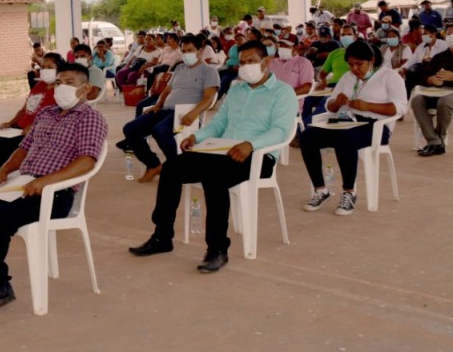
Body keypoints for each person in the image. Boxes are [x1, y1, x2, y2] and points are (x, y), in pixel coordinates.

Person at [0, 63, 108, 313]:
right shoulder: (47, 113)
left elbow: (87, 161)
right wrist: (5, 170)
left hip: (55, 193)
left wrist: (46, 181)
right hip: (22, 183)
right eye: (59, 82)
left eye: (70, 82)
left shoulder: (90, 118)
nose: (62, 87)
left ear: (85, 89)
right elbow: (24, 148)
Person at [129, 41, 297, 273]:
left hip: (259, 156)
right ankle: (162, 237)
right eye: (242, 63)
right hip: (221, 150)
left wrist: (251, 144)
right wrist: (197, 137)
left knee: (214, 177)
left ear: (266, 62)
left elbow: (280, 130)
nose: (246, 67)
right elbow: (218, 124)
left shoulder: (283, 92)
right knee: (172, 168)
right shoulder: (237, 89)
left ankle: (217, 248)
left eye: (251, 62)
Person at [300, 41, 406, 215]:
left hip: (376, 126)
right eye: (350, 64)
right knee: (307, 137)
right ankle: (320, 190)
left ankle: (349, 192)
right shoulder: (347, 77)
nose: (355, 69)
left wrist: (369, 106)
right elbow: (330, 106)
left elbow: (401, 108)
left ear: (371, 60)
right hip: (346, 121)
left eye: (359, 64)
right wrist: (337, 102)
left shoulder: (389, 76)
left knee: (345, 138)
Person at [122, 34, 219, 183]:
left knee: (160, 131)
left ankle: (180, 167)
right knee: (130, 129)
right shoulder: (180, 67)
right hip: (166, 110)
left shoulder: (209, 71)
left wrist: (193, 114)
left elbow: (209, 98)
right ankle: (153, 165)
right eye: (184, 51)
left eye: (190, 50)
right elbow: (167, 90)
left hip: (186, 114)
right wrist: (158, 105)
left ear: (200, 51)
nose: (187, 54)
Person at [0, 53, 61, 192]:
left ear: (59, 69)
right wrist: (10, 122)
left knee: (0, 148)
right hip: (18, 128)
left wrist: (35, 126)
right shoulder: (39, 85)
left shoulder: (60, 91)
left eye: (49, 67)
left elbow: (59, 115)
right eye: (42, 67)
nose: (44, 70)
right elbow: (25, 109)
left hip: (35, 134)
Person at [410, 30, 453, 157]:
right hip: (434, 92)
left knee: (444, 102)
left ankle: (437, 141)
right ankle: (435, 141)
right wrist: (430, 79)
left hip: (449, 95)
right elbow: (423, 76)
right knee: (416, 101)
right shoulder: (439, 57)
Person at [401, 25, 448, 96]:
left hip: (436, 72)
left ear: (434, 34)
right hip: (422, 72)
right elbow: (412, 59)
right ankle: (407, 98)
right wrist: (404, 68)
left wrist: (432, 60)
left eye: (426, 33)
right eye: (423, 34)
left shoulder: (443, 45)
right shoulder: (421, 46)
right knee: (410, 74)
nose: (423, 36)